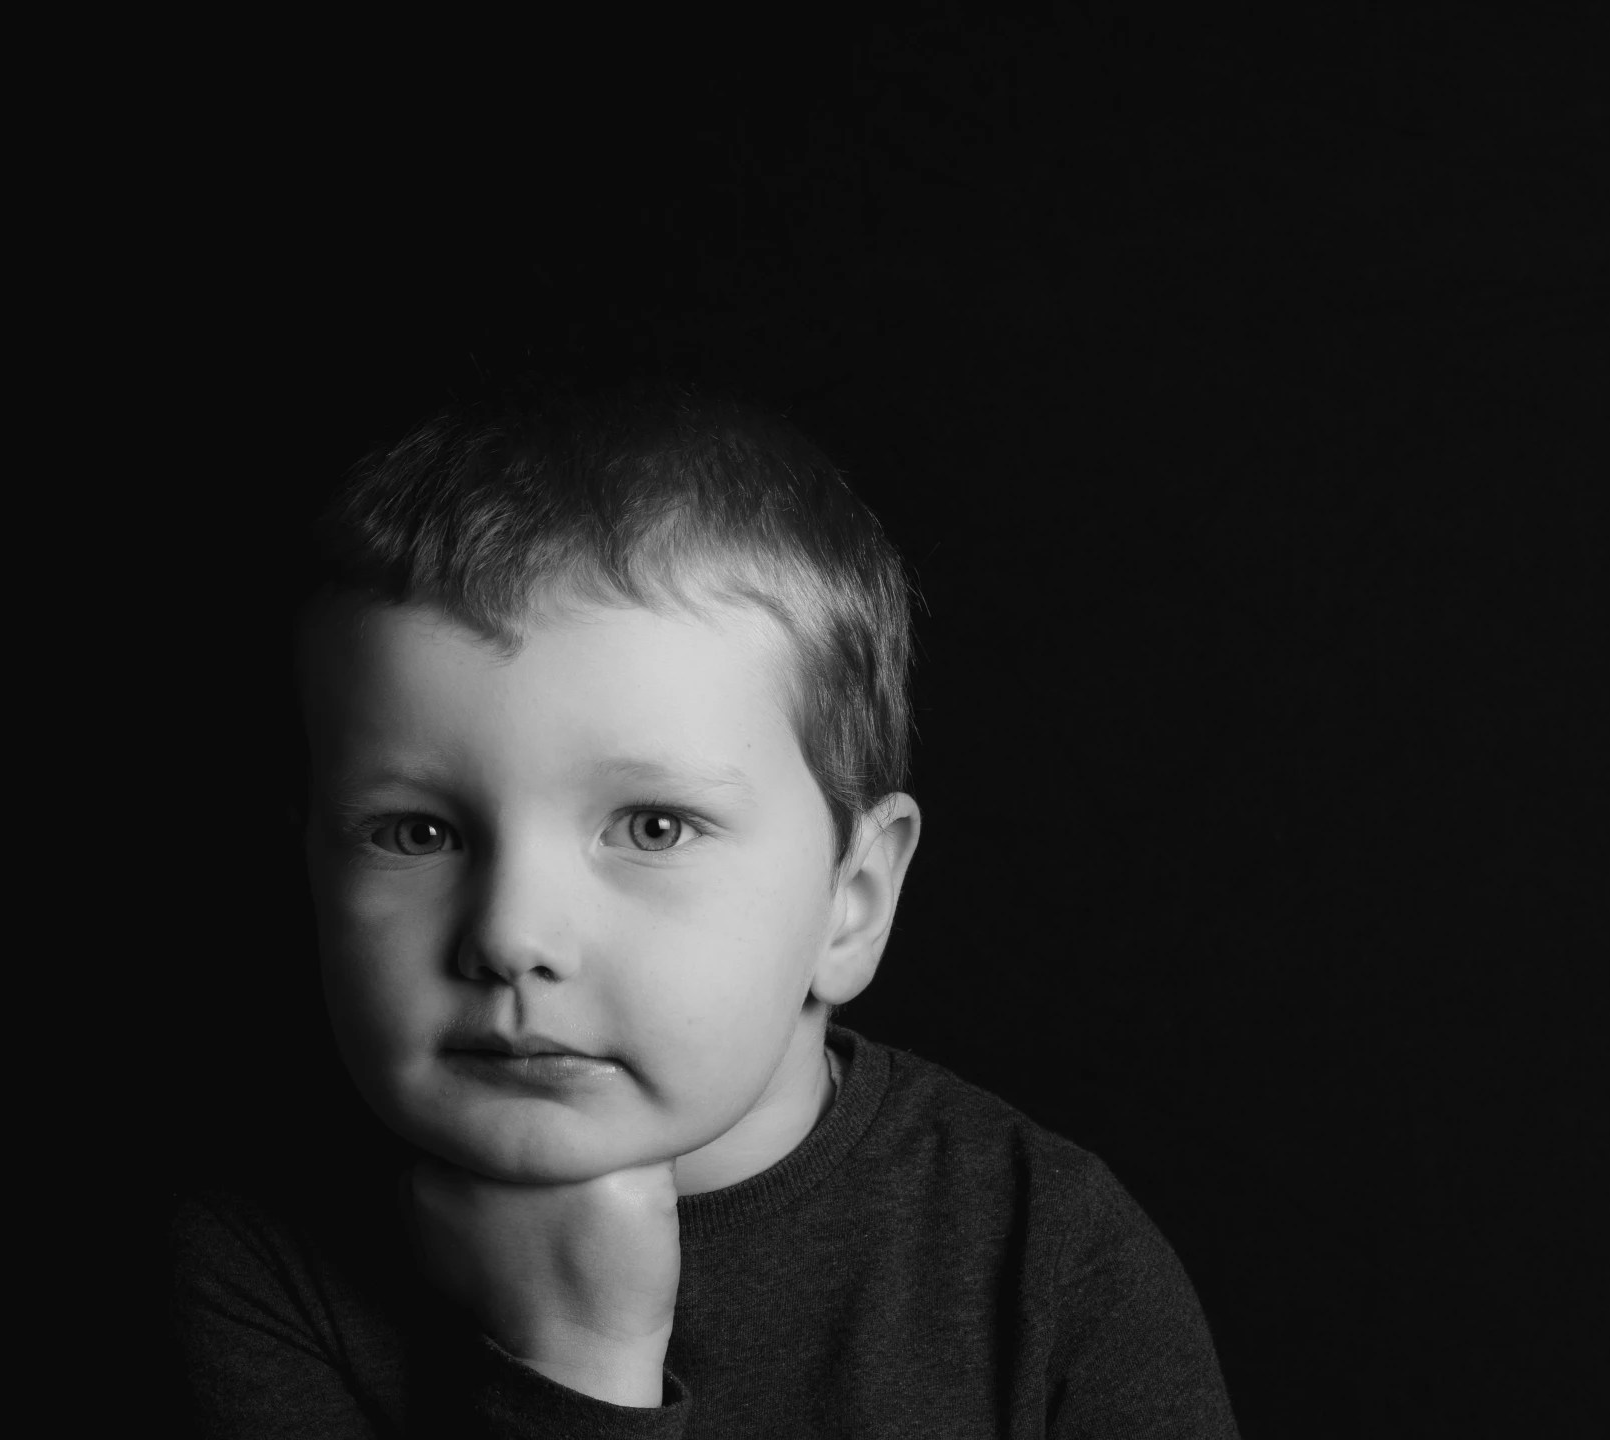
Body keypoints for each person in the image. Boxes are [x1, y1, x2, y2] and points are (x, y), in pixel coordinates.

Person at [174, 385, 1238, 1437]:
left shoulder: (1048, 1262)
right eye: (417, 833)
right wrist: (577, 1368)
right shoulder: (252, 1271)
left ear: (851, 903)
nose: (509, 937)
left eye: (653, 828)